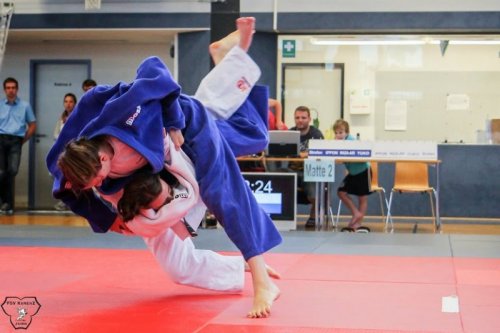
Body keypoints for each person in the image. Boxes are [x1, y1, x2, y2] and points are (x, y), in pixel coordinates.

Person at [47, 17, 281, 318]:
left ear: (103, 159)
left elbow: (154, 67)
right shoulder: (74, 156)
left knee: (222, 192)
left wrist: (172, 120)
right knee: (254, 135)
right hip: (153, 176)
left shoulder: (122, 110)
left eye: (96, 179)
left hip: (186, 129)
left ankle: (261, 279)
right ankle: (227, 58)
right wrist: (104, 219)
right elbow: (62, 185)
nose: (96, 186)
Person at [0, 77, 37, 215]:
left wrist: (23, 139)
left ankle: (7, 203)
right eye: (8, 88)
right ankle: (6, 203)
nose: (11, 90)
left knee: (12, 170)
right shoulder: (0, 105)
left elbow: (32, 125)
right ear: (5, 90)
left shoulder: (25, 105)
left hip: (16, 139)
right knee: (1, 172)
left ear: (17, 89)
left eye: (13, 87)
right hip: (1, 139)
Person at [333, 119, 372, 233]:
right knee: (341, 192)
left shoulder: (352, 141)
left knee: (362, 197)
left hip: (363, 171)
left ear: (347, 132)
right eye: (336, 133)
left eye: (341, 132)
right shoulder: (337, 143)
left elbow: (361, 155)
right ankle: (356, 213)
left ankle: (358, 224)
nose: (338, 135)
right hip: (353, 173)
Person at [288, 105, 324, 228]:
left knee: (314, 185)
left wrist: (303, 155)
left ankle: (313, 216)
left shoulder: (316, 134)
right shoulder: (289, 133)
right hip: (292, 171)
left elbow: (321, 154)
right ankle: (285, 217)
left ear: (309, 119)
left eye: (303, 117)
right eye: (297, 117)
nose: (300, 120)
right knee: (279, 178)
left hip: (310, 171)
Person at [53, 93, 77, 211]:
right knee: (63, 178)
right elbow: (56, 134)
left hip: (74, 152)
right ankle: (64, 201)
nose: (68, 104)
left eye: (71, 101)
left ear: (75, 103)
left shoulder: (78, 116)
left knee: (75, 178)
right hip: (62, 152)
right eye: (66, 101)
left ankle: (75, 203)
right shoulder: (61, 119)